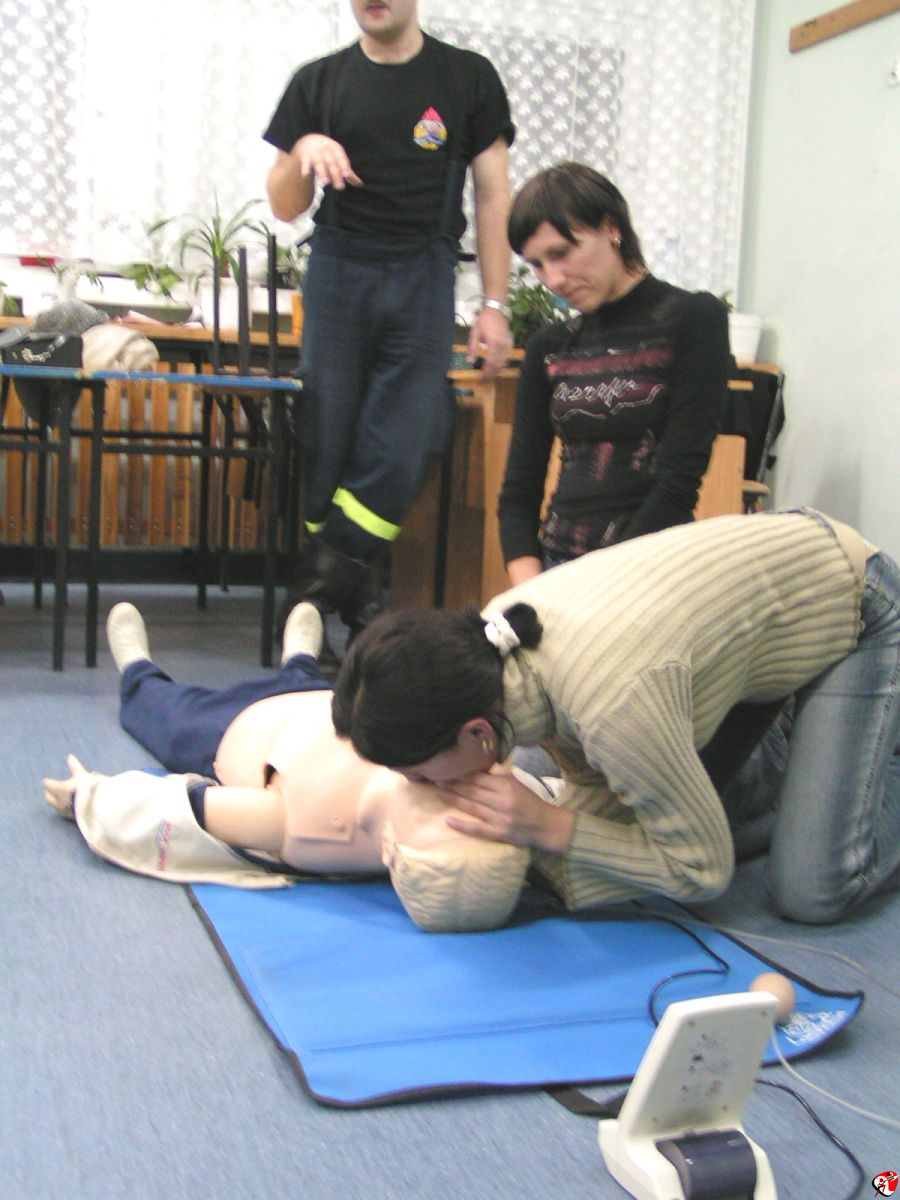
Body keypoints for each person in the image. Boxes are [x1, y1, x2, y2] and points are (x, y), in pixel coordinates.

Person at [332, 508, 900, 926]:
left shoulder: (614, 706)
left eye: (421, 773)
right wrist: (551, 841)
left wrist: (547, 826)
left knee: (810, 891)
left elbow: (704, 871)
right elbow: (592, 784)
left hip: (853, 604)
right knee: (605, 817)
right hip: (746, 640)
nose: (423, 786)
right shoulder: (489, 641)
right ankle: (804, 759)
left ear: (477, 732)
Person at [43, 602, 533, 932]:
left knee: (162, 716)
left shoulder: (314, 826)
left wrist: (92, 797)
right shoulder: (475, 770)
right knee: (313, 681)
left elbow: (189, 808)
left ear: (391, 849)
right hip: (338, 706)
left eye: (443, 816)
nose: (458, 798)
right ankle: (299, 658)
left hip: (238, 728)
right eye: (476, 814)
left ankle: (136, 670)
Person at [263, 0, 515, 638]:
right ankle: (359, 595)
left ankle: (308, 601)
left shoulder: (468, 78)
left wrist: (495, 304)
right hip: (338, 269)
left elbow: (494, 197)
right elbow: (286, 205)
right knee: (326, 436)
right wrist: (303, 150)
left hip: (424, 272)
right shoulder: (317, 81)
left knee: (402, 441)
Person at [498, 162, 731, 585]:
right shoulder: (549, 347)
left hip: (650, 573)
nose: (553, 279)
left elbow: (677, 486)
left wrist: (604, 587)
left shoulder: (693, 318)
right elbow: (518, 493)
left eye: (561, 253)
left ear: (611, 228)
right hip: (556, 574)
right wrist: (530, 592)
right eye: (536, 264)